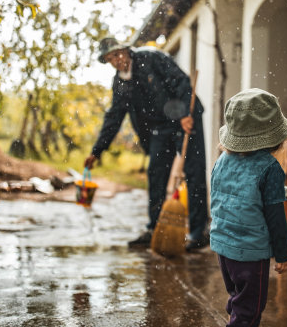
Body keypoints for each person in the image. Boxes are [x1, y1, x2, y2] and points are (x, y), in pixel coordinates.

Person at [84, 37, 209, 251]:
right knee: (156, 174)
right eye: (109, 59)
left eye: (116, 54)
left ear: (125, 50)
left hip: (184, 119)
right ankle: (155, 228)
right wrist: (97, 151)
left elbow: (180, 82)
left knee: (194, 171)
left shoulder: (151, 58)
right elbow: (114, 117)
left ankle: (199, 232)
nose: (115, 61)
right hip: (159, 127)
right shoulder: (120, 82)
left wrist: (185, 114)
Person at [209, 88, 287, 326]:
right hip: (250, 252)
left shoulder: (221, 161)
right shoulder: (270, 168)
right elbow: (275, 215)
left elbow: (217, 202)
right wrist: (283, 253)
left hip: (223, 247)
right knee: (249, 312)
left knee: (237, 297)